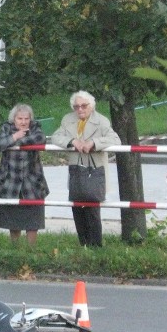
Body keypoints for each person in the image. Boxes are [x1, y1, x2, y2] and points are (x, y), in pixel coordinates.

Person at [51, 91, 121, 247]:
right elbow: (55, 137)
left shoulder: (101, 121)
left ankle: (96, 246)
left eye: (84, 106)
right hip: (76, 170)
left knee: (92, 210)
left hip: (94, 170)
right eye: (76, 107)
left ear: (92, 105)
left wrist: (94, 143)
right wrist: (72, 141)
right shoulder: (67, 119)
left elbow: (116, 139)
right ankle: (83, 245)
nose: (80, 109)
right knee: (77, 208)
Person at [0, 104, 50, 245]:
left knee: (33, 219)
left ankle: (31, 249)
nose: (23, 122)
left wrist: (18, 141)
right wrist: (14, 137)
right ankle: (15, 247)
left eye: (26, 118)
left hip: (33, 181)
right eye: (20, 118)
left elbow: (40, 139)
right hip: (10, 181)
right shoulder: (6, 128)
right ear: (14, 119)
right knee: (13, 217)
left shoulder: (35, 128)